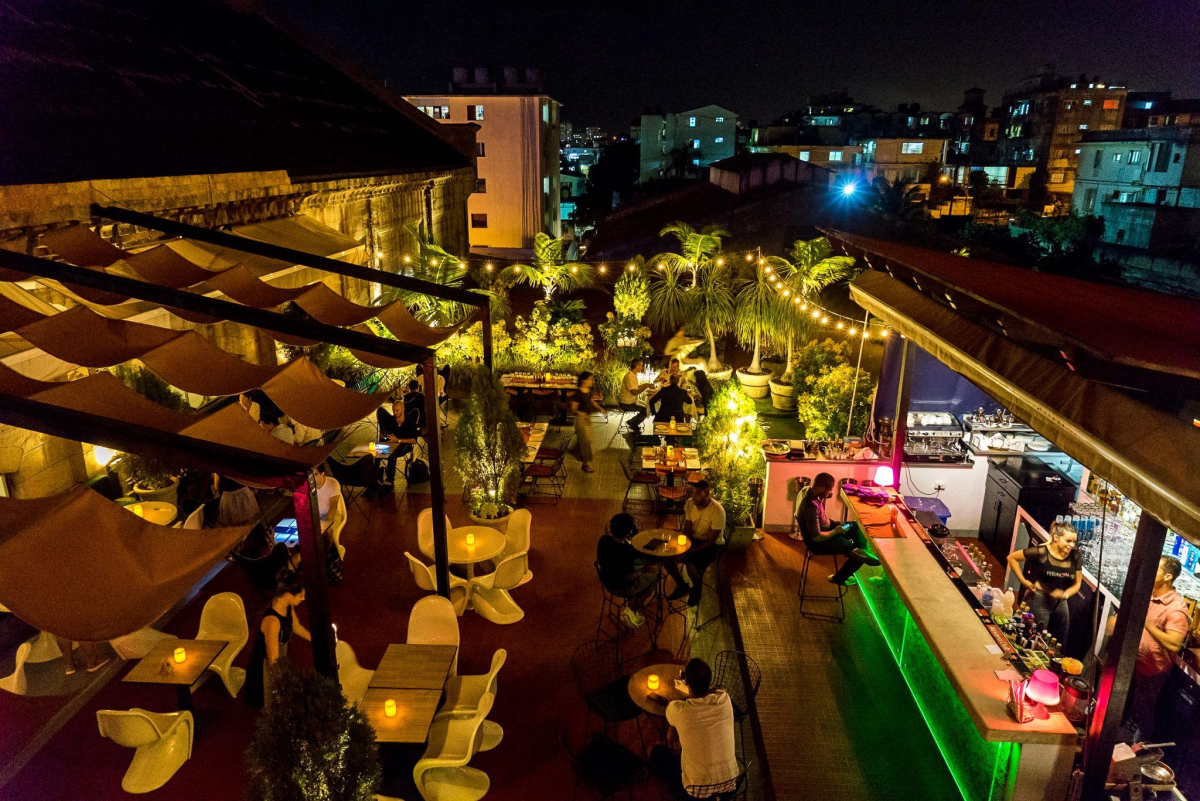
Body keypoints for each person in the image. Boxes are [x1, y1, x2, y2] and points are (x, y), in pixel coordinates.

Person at [1107, 555, 1191, 739]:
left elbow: (1175, 643)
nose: (1150, 569)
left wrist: (1147, 623)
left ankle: (1137, 751)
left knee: (1143, 712)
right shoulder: (1146, 593)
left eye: (1156, 568)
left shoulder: (1176, 609)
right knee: (1119, 705)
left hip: (1152, 670)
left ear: (1168, 577)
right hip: (1130, 661)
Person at [650, 658, 739, 797]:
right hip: (731, 787)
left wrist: (671, 729)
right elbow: (716, 691)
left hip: (696, 793)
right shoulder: (725, 699)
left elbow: (671, 709)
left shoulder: (680, 711)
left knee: (655, 750)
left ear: (686, 682)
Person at [794, 472, 880, 585]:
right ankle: (839, 577)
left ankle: (861, 553)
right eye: (829, 490)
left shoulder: (808, 490)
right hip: (821, 541)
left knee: (855, 526)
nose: (830, 492)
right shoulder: (810, 507)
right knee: (854, 552)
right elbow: (816, 537)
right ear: (821, 488)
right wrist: (836, 531)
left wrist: (836, 528)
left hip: (830, 527)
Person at [1007, 521, 1083, 644]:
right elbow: (1012, 558)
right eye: (1068, 541)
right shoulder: (1041, 552)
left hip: (1061, 604)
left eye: (1073, 542)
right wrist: (1024, 581)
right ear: (1056, 538)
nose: (1071, 545)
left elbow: (1077, 583)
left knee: (1058, 642)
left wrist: (1065, 594)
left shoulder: (1075, 557)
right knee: (1033, 639)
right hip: (1039, 600)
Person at [245, 578, 311, 707]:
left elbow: (295, 626)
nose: (303, 599)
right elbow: (272, 659)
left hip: (279, 656)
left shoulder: (287, 605)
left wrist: (316, 639)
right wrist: (282, 685)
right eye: (301, 596)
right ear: (288, 595)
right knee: (273, 703)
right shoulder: (272, 621)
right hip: (264, 667)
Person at [670, 481, 727, 606]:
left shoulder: (717, 511)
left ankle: (697, 589)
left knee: (691, 565)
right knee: (667, 557)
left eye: (698, 493)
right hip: (695, 539)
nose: (694, 496)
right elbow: (688, 529)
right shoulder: (690, 503)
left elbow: (711, 541)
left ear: (707, 495)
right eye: (693, 492)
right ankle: (681, 585)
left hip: (712, 545)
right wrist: (682, 547)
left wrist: (688, 551)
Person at [596, 513, 657, 628]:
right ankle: (631, 610)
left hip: (606, 579)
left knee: (643, 568)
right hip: (621, 586)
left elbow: (601, 560)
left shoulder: (603, 540)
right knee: (654, 576)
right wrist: (643, 570)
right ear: (628, 532)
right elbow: (630, 577)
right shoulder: (626, 551)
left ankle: (630, 610)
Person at [376, 398, 419, 486]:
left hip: (404, 444)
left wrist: (398, 440)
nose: (395, 413)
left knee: (393, 451)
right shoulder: (391, 421)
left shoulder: (409, 421)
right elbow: (384, 433)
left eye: (397, 410)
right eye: (393, 410)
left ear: (403, 409)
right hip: (390, 443)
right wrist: (382, 437)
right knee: (375, 452)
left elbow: (414, 440)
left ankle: (390, 477)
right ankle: (374, 475)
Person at [569, 371, 601, 473]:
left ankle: (574, 451)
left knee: (586, 440)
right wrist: (579, 413)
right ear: (584, 380)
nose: (592, 381)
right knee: (585, 442)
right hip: (580, 420)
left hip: (588, 418)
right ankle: (585, 464)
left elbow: (591, 401)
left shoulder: (588, 391)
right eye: (590, 379)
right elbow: (573, 408)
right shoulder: (578, 394)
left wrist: (600, 408)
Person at [618, 358, 653, 432]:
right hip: (627, 403)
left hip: (633, 400)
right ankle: (632, 423)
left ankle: (633, 422)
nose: (641, 367)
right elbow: (634, 392)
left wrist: (646, 384)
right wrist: (646, 386)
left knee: (647, 406)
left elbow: (636, 387)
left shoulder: (633, 375)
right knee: (645, 410)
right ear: (636, 366)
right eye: (641, 365)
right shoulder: (629, 376)